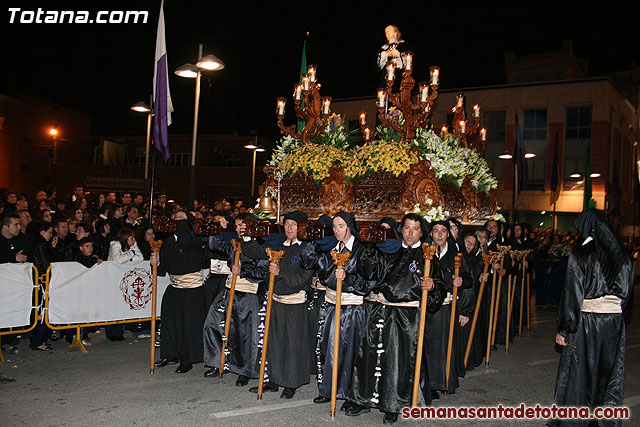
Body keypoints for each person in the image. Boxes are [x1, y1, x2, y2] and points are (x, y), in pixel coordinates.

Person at [347, 213, 443, 423]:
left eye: (415, 229)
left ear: (421, 232)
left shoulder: (428, 255)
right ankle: (364, 399)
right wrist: (371, 246)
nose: (410, 233)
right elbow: (369, 271)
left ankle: (393, 404)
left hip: (406, 317)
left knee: (396, 361)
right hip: (379, 311)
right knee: (370, 356)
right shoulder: (390, 249)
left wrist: (432, 286)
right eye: (407, 228)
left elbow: (440, 287)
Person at [549, 210, 633, 426]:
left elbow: (572, 295)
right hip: (613, 323)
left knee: (579, 373)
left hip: (586, 322)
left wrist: (565, 328)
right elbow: (627, 296)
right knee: (608, 371)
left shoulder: (580, 255)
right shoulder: (623, 257)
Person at [300, 212, 374, 410]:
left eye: (341, 226)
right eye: (334, 227)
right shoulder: (330, 247)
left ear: (350, 226)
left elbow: (369, 281)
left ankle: (352, 394)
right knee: (328, 348)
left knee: (351, 350)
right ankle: (330, 388)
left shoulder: (362, 250)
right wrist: (313, 242)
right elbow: (308, 263)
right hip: (331, 304)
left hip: (352, 308)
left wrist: (347, 278)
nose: (337, 230)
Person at [240, 211, 314, 399]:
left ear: (301, 227)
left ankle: (292, 382)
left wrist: (280, 272)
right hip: (275, 300)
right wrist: (247, 237)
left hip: (294, 303)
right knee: (273, 342)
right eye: (287, 224)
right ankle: (273, 379)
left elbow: (302, 279)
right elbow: (255, 251)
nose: (289, 228)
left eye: (294, 225)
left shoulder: (307, 249)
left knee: (292, 344)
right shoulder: (278, 245)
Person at [202, 213, 269, 386]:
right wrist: (218, 228)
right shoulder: (234, 244)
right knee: (213, 323)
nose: (238, 229)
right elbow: (215, 245)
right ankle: (218, 362)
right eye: (237, 225)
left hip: (248, 294)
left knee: (245, 335)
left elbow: (263, 273)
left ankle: (245, 370)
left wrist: (244, 272)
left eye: (242, 226)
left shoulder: (261, 246)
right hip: (228, 291)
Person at [423, 220, 473, 396]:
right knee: (426, 346)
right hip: (427, 307)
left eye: (443, 231)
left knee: (443, 345)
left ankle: (442, 381)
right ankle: (427, 383)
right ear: (430, 234)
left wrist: (462, 281)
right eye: (435, 231)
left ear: (448, 234)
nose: (439, 234)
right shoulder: (424, 252)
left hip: (446, 307)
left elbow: (469, 279)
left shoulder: (456, 254)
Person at [154, 211, 207, 374]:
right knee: (170, 321)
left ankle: (187, 358)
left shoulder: (194, 241)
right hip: (174, 288)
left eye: (181, 218)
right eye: (175, 218)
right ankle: (171, 354)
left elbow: (197, 259)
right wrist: (154, 262)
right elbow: (162, 269)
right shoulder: (168, 242)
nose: (177, 221)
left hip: (191, 290)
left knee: (187, 325)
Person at [377, 25, 412, 90]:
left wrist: (398, 54)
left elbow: (409, 59)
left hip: (399, 74)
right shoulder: (384, 48)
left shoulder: (404, 45)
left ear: (396, 32)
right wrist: (384, 55)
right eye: (386, 31)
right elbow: (377, 64)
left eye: (390, 29)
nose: (387, 32)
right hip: (386, 76)